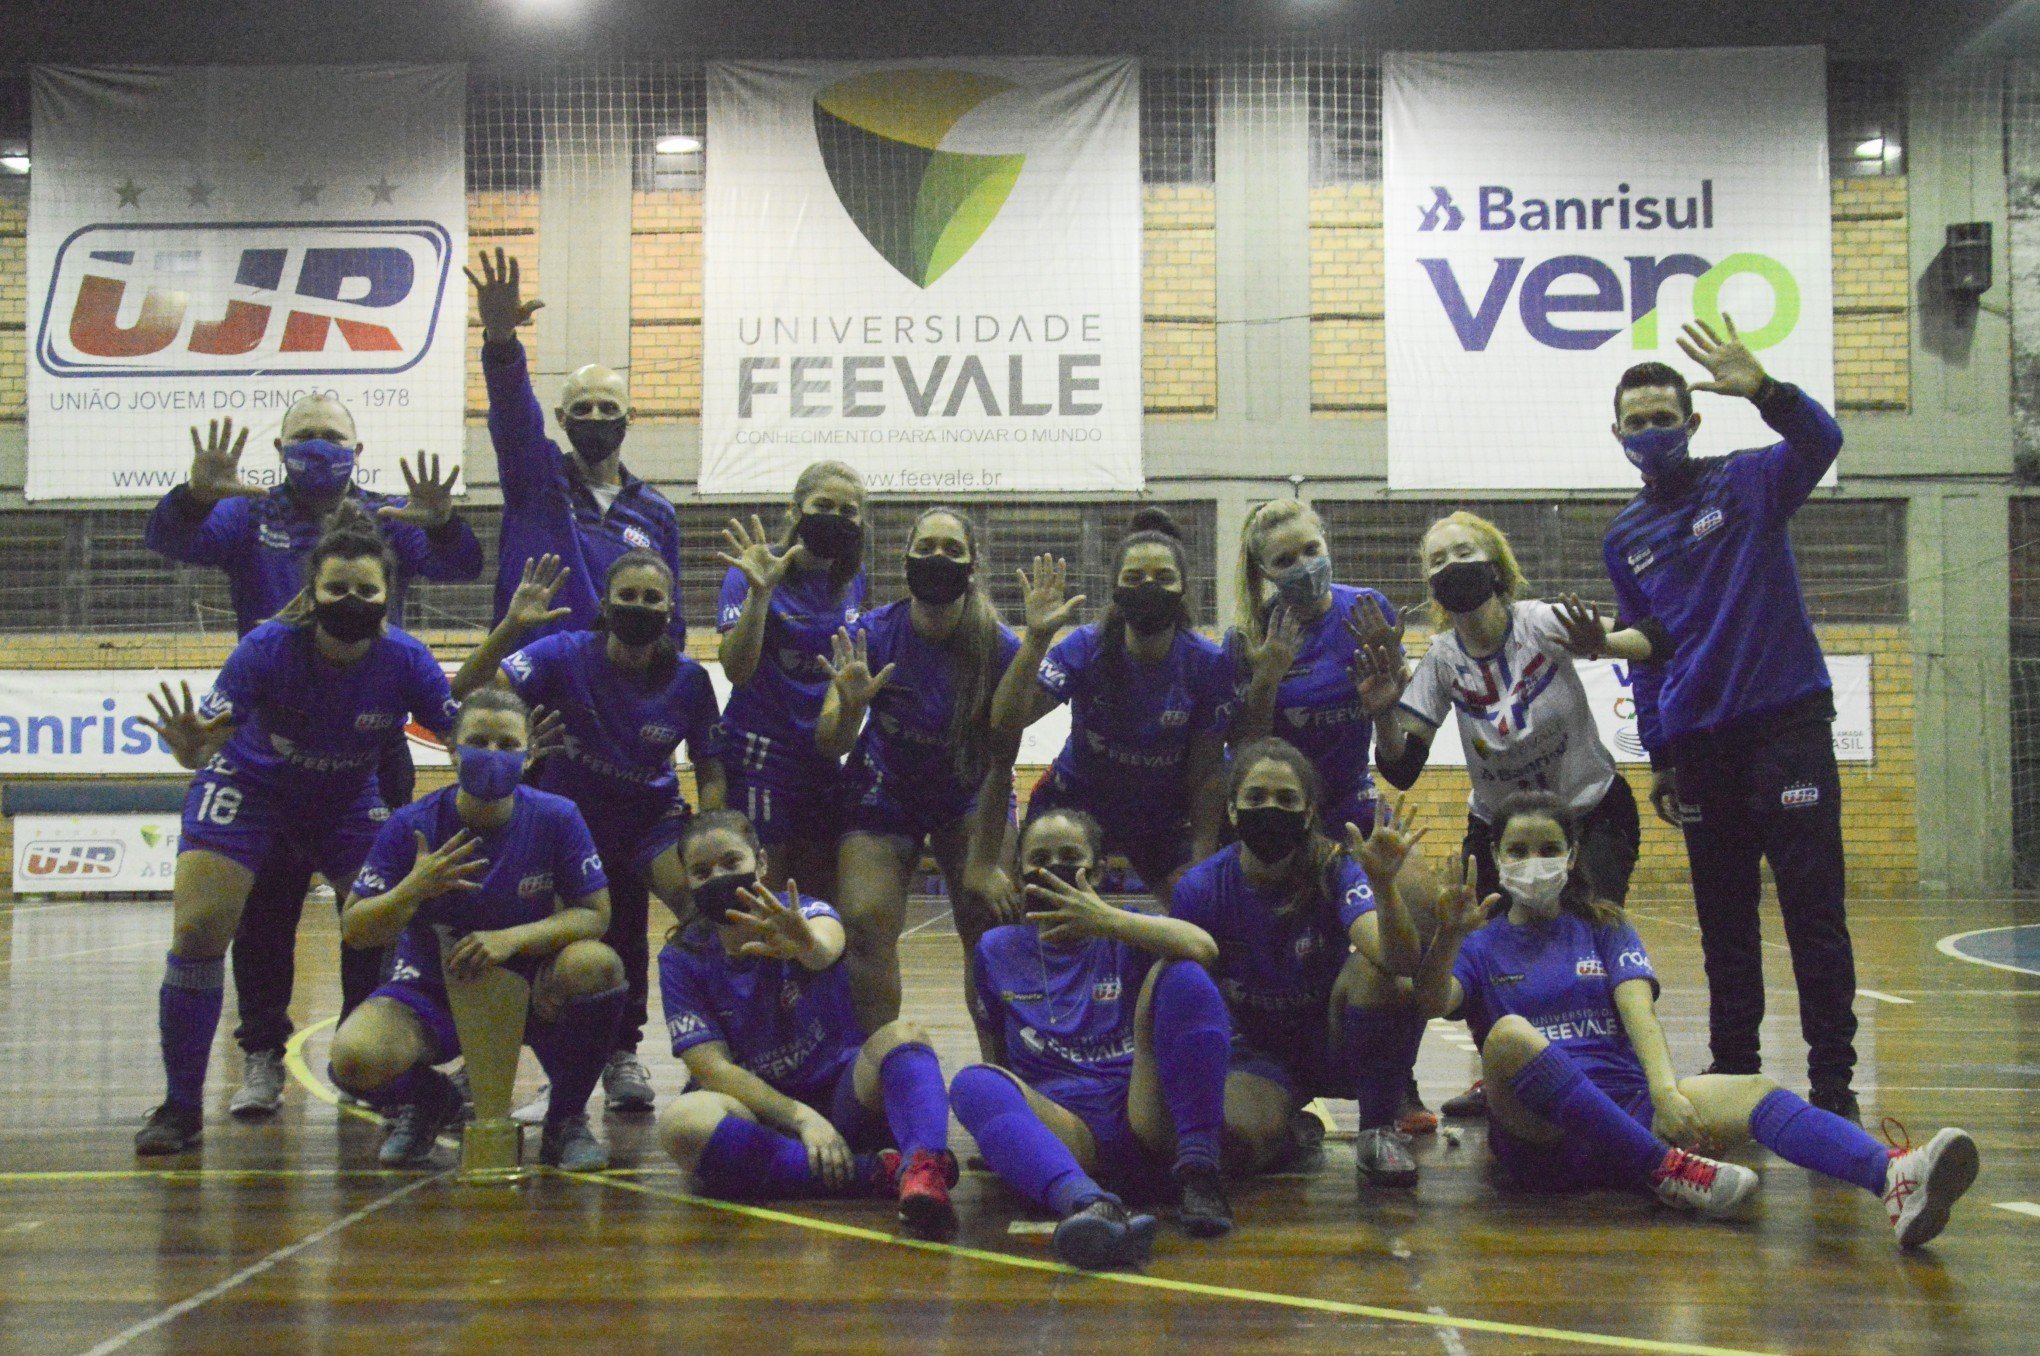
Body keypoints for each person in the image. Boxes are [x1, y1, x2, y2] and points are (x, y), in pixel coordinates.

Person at [1408, 791, 1979, 1248]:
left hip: (1630, 1108)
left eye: (1548, 847)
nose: (1535, 862)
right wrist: (1447, 938)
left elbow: (1639, 1013)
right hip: (1540, 1134)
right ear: (1497, 858)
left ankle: (1892, 1180)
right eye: (1519, 850)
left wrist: (1665, 1095)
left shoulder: (1604, 925)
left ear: (1573, 854)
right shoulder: (1480, 942)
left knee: (1754, 1090)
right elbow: (1434, 1003)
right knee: (1508, 1035)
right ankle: (1667, 1171)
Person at [143, 403, 480, 1118]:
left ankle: (369, 1054)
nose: (319, 447)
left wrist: (443, 520)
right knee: (250, 916)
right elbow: (166, 539)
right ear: (280, 448)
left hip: (361, 752)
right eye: (305, 437)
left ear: (357, 449)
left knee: (378, 911)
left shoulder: (389, 528)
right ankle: (252, 1059)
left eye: (332, 436)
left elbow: (464, 566)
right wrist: (196, 495)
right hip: (264, 749)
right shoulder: (250, 522)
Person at [1602, 316, 1862, 1120]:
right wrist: (1661, 755)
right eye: (1636, 422)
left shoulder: (1749, 481)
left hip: (1786, 726)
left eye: (1663, 418)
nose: (1651, 432)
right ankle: (1736, 1073)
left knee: (1813, 912)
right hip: (1701, 748)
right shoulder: (1625, 538)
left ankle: (1832, 1088)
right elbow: (1646, 654)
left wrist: (1769, 391)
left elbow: (1823, 441)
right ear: (1618, 435)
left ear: (1692, 421)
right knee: (1723, 923)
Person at [1363, 512, 1655, 1120]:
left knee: (1588, 931)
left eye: (1462, 553)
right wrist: (1383, 712)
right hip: (1501, 830)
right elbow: (1401, 767)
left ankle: (1614, 1064)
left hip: (1588, 812)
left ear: (1496, 566)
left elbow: (1652, 639)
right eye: (1436, 562)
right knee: (1485, 945)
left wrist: (1604, 644)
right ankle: (1498, 1072)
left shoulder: (1540, 621)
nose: (1450, 567)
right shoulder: (1443, 659)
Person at [454, 550, 725, 1120]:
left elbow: (711, 765)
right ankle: (543, 1063)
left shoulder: (690, 681)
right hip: (567, 819)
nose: (638, 606)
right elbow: (468, 693)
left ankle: (702, 1060)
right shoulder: (562, 654)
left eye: (652, 598)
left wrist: (709, 834)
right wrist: (510, 628)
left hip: (649, 820)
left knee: (706, 907)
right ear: (605, 603)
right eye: (627, 595)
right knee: (567, 942)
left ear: (670, 609)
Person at [327, 689, 625, 1170]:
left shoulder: (557, 817)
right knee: (353, 1058)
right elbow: (355, 929)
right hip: (434, 987)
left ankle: (566, 1119)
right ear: (451, 748)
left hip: (529, 984)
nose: (491, 754)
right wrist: (411, 890)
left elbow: (595, 915)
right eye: (478, 740)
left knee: (597, 965)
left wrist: (513, 940)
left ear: (529, 755)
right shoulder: (412, 826)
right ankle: (430, 1103)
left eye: (507, 744)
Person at [655, 811, 960, 1237]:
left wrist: (804, 945)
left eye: (731, 862)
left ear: (760, 863)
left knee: (905, 1036)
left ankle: (926, 1173)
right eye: (701, 872)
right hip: (761, 1111)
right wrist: (800, 1118)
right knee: (681, 1124)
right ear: (687, 881)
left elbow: (826, 948)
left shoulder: (808, 912)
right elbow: (712, 1069)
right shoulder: (681, 958)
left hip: (839, 1090)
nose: (718, 877)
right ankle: (877, 1173)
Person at [953, 806, 1234, 1269]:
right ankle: (1090, 1204)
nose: (1056, 866)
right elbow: (996, 1051)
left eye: (1071, 855)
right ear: (1022, 875)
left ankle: (1199, 1173)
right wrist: (1005, 1133)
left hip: (1140, 1112)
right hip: (1066, 1129)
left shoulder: (1127, 932)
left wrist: (1104, 920)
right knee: (973, 1083)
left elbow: (1204, 948)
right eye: (1040, 857)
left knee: (1185, 975)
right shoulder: (996, 948)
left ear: (1099, 870)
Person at [1167, 737, 1428, 1188]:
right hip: (1254, 1053)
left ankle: (1377, 1129)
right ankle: (1288, 1133)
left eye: (1287, 799)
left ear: (1308, 814)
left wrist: (1385, 887)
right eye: (1256, 797)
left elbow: (1398, 960)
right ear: (1233, 810)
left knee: (1383, 978)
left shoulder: (1336, 866)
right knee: (1235, 1148)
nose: (1271, 808)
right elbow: (1188, 993)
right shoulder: (1201, 888)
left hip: (1328, 1039)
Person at [817, 506, 1021, 1032]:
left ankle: (1005, 1070)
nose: (937, 558)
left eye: (952, 550)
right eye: (925, 547)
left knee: (992, 924)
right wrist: (853, 706)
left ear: (972, 566)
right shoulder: (869, 635)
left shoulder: (999, 646)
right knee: (863, 921)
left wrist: (982, 859)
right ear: (904, 559)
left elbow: (1005, 757)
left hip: (970, 792)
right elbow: (829, 742)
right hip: (886, 788)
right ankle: (878, 1067)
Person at [986, 509, 1233, 902]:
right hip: (1076, 802)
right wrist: (1035, 639)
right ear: (1115, 590)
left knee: (1202, 905)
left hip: (1161, 818)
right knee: (1041, 906)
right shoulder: (1086, 647)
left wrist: (1202, 855)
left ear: (1184, 589)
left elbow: (1206, 772)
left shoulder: (1207, 664)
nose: (1148, 586)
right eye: (1133, 578)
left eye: (1163, 577)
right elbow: (1004, 722)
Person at [468, 247, 685, 645]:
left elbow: (672, 617)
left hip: (616, 681)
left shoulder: (658, 512)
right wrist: (501, 341)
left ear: (630, 416)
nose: (597, 416)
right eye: (582, 408)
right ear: (561, 419)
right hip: (532, 672)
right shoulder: (536, 478)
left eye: (609, 407)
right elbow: (515, 415)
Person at [715, 461, 870, 902]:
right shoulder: (753, 571)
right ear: (795, 510)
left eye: (848, 511)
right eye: (823, 505)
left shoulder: (854, 580)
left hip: (820, 761)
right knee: (765, 895)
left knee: (819, 900)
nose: (835, 518)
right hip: (759, 759)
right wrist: (760, 595)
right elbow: (736, 669)